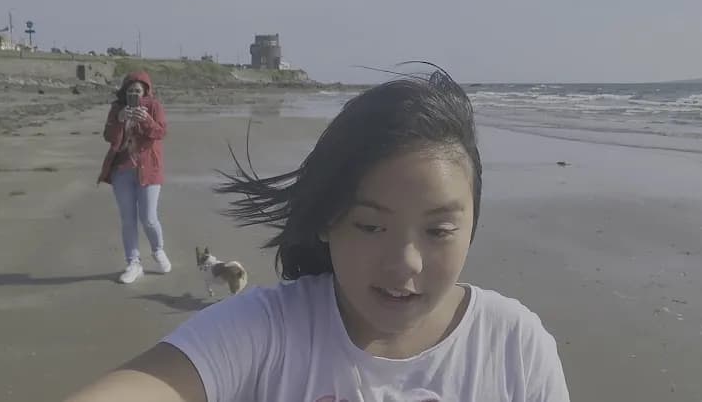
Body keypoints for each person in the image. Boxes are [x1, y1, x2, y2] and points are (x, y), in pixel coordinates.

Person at [69, 66, 570, 401]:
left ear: (472, 226)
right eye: (371, 225)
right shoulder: (265, 331)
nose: (406, 263)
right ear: (328, 220)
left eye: (439, 230)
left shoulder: (514, 348)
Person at [97, 71, 171, 284]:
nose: (134, 94)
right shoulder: (117, 109)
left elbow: (161, 133)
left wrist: (146, 120)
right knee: (128, 219)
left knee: (148, 217)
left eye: (138, 91)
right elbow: (109, 138)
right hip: (122, 170)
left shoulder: (154, 107)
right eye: (130, 91)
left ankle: (158, 250)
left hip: (149, 170)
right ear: (124, 91)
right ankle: (133, 263)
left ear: (146, 91)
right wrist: (119, 121)